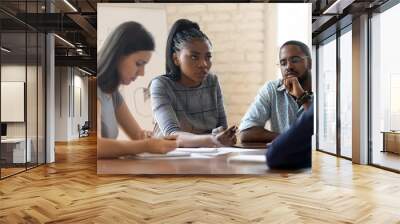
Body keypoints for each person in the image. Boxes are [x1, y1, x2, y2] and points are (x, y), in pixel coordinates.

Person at [150, 19, 236, 148]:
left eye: (208, 57)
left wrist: (224, 135)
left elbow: (221, 126)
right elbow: (172, 135)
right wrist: (212, 140)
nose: (204, 64)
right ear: (176, 59)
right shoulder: (161, 85)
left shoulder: (212, 82)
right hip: (168, 158)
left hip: (207, 157)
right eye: (194, 57)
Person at [97, 21, 177, 158]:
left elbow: (137, 135)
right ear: (118, 55)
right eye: (139, 64)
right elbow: (96, 146)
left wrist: (149, 139)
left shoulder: (113, 94)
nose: (142, 73)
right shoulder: (95, 89)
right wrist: (146, 145)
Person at [239, 40, 313, 143]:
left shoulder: (324, 89)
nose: (288, 67)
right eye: (283, 63)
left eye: (295, 60)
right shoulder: (272, 89)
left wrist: (302, 97)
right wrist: (290, 138)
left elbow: (321, 134)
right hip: (284, 157)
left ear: (309, 63)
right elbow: (245, 132)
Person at [266, 104, 313, 169]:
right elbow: (247, 131)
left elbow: (275, 155)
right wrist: (283, 138)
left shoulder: (320, 98)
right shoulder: (270, 94)